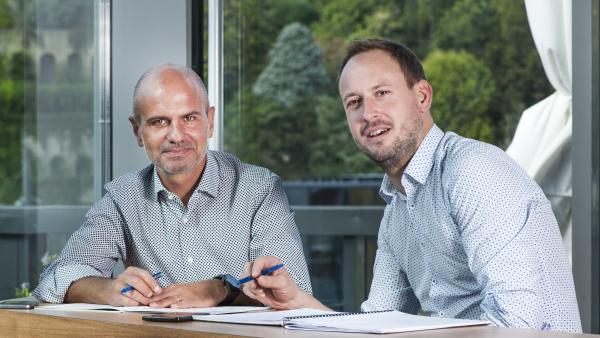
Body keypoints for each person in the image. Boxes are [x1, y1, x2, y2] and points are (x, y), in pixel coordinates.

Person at [241, 39, 581, 332]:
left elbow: (519, 324)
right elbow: (374, 325)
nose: (368, 113)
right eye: (354, 102)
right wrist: (297, 302)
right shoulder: (397, 210)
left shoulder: (473, 171)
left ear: (422, 96)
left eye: (382, 93)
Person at [33, 64, 311, 308]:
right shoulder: (122, 198)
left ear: (210, 121)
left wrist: (220, 289)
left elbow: (293, 289)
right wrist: (108, 289)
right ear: (137, 131)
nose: (176, 136)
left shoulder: (259, 189)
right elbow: (56, 277)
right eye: (159, 122)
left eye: (189, 118)